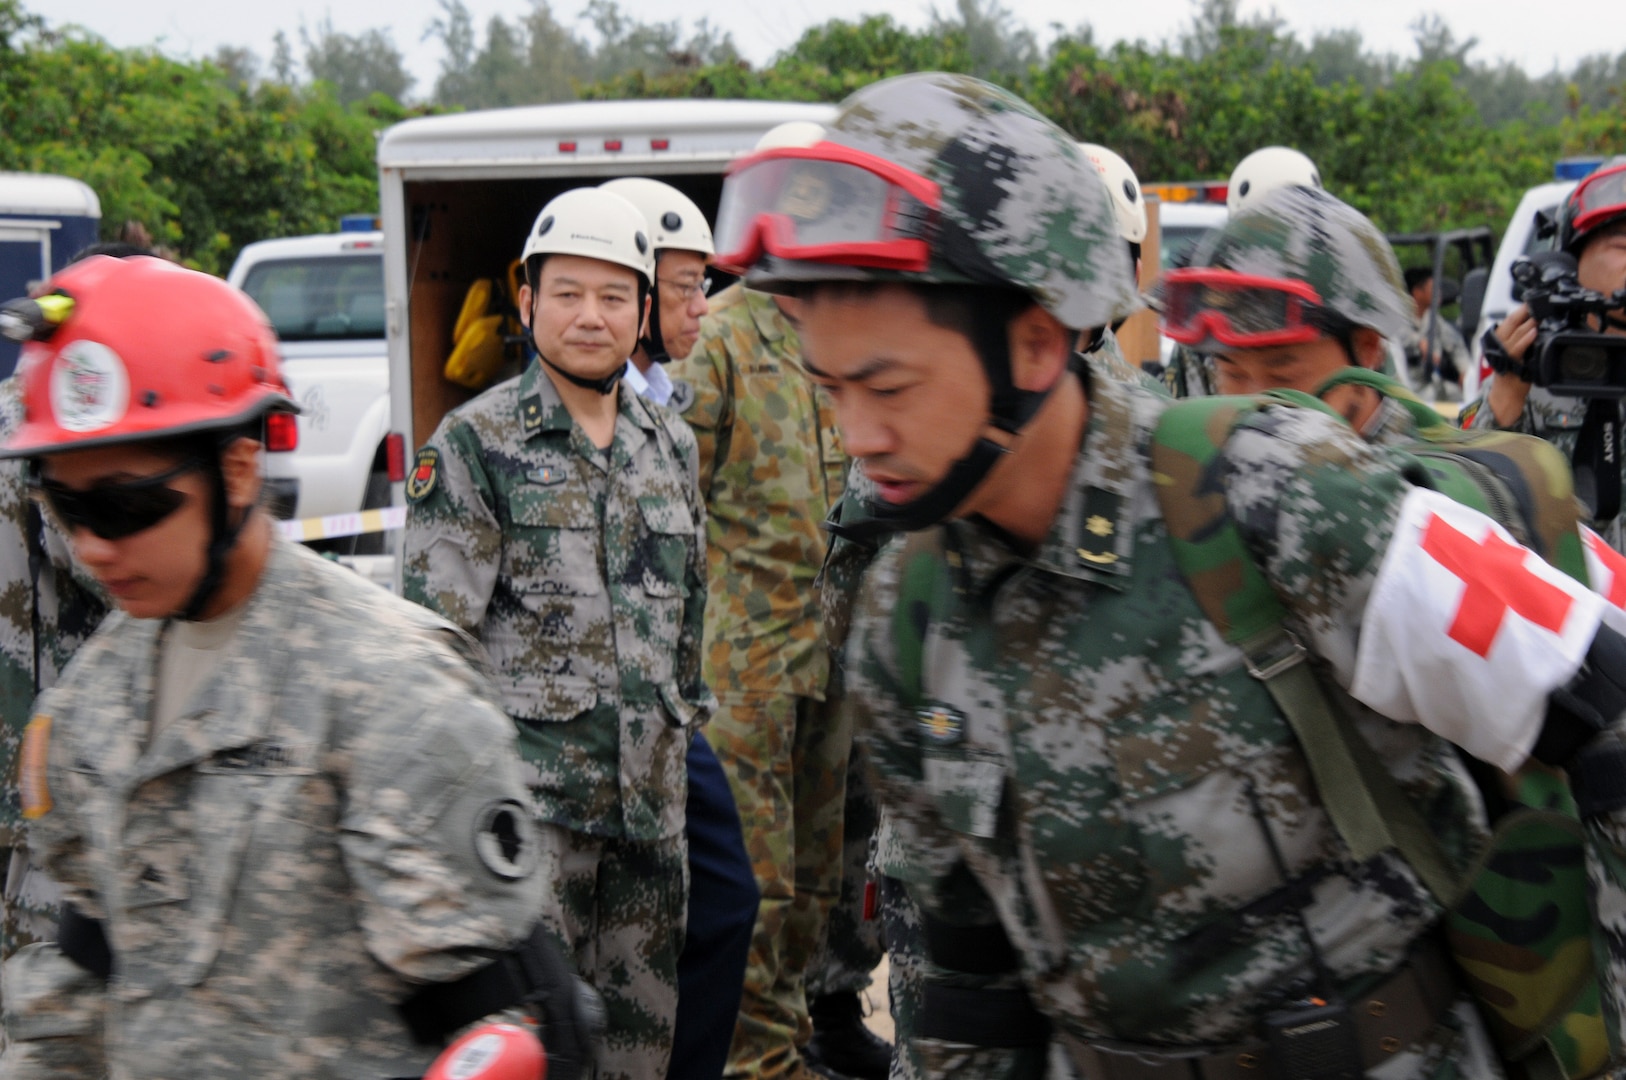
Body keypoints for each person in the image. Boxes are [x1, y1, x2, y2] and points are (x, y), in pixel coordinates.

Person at [714, 70, 1626, 1080]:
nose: (857, 434)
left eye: (889, 384)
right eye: (830, 387)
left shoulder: (1277, 490)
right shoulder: (906, 615)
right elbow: (971, 999)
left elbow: (1604, 706)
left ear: (1032, 340)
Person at [0, 254, 561, 1078]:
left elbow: (495, 1031)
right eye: (66, 506)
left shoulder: (390, 690)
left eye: (124, 506)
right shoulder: (92, 701)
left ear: (235, 469)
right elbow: (84, 984)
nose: (91, 545)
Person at [403, 186, 712, 1080]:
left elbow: (688, 612)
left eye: (615, 296)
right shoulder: (475, 445)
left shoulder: (669, 443)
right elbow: (434, 654)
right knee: (531, 1054)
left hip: (651, 825)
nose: (591, 316)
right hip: (530, 829)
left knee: (637, 1056)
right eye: (567, 293)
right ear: (528, 302)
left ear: (643, 312)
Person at [667, 117, 855, 1080]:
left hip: (833, 661)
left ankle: (787, 1042)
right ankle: (755, 1062)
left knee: (819, 882)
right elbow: (672, 502)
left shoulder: (853, 331)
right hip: (744, 667)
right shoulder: (725, 338)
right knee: (762, 886)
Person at [601, 175, 762, 1080]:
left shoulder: (664, 404)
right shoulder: (579, 406)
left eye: (706, 283)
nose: (704, 306)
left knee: (725, 903)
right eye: (687, 285)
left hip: (667, 713)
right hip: (590, 725)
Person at [1461, 159, 1626, 550]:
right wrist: (1506, 391)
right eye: (1622, 245)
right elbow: (1469, 509)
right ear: (1569, 262)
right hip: (1567, 600)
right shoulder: (1535, 368)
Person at [1169, 185, 1417, 444]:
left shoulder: (1427, 476)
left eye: (1283, 378)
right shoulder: (1224, 463)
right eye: (1233, 375)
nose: (1255, 404)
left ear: (1367, 348)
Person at [601, 178, 717, 409]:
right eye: (687, 286)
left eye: (700, 286)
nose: (702, 307)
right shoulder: (597, 410)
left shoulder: (657, 392)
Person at [1400, 266, 1469, 400]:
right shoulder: (1399, 318)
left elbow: (1455, 345)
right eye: (1433, 288)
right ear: (1417, 292)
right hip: (1406, 384)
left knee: (1456, 396)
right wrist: (1418, 343)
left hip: (1431, 383)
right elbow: (1396, 338)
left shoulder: (1434, 320)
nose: (1438, 292)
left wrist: (1464, 370)